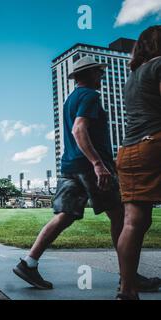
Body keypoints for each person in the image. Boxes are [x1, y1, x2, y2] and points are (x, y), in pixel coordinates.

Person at [12, 56, 159, 294]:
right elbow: (79, 129)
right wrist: (98, 164)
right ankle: (129, 278)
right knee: (120, 216)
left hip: (69, 166)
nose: (101, 76)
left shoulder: (70, 100)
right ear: (90, 74)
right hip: (90, 168)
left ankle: (28, 263)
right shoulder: (90, 96)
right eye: (99, 73)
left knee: (64, 215)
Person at [116, 25, 161, 300]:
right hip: (155, 142)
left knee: (133, 222)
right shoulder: (159, 65)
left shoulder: (132, 77)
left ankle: (127, 289)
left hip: (129, 149)